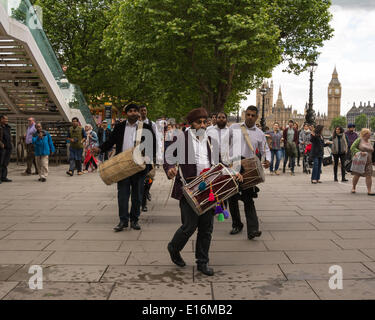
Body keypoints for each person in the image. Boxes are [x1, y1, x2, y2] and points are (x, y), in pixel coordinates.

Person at [164, 107, 217, 276]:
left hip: (208, 188)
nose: (202, 125)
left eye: (205, 122)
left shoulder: (210, 140)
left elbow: (219, 161)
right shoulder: (181, 138)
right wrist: (170, 168)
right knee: (189, 226)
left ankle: (202, 262)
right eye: (198, 122)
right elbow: (168, 157)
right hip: (188, 188)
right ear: (191, 123)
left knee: (206, 227)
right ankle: (174, 247)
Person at [93, 104, 156, 231]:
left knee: (137, 196)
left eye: (135, 111)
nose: (132, 113)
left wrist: (148, 160)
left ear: (138, 113)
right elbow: (111, 141)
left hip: (139, 167)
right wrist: (100, 149)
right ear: (126, 113)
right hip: (122, 166)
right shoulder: (120, 127)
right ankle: (123, 220)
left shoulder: (146, 127)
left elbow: (152, 146)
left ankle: (134, 220)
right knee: (122, 195)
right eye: (130, 111)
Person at [228, 106, 271, 239]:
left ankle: (253, 229)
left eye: (253, 115)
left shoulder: (260, 133)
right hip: (233, 164)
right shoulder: (234, 128)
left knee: (248, 199)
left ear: (257, 117)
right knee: (232, 197)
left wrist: (268, 160)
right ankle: (237, 224)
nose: (250, 117)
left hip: (247, 167)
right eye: (248, 114)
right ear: (244, 115)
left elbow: (266, 150)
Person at [350, 128, 375, 195]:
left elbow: (372, 151)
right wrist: (360, 152)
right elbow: (352, 147)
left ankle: (369, 190)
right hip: (360, 161)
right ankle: (353, 187)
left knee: (369, 175)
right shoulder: (359, 140)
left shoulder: (369, 141)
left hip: (369, 162)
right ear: (365, 134)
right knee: (357, 175)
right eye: (369, 134)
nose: (370, 135)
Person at [0, 115, 12, 183]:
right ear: (1, 119)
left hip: (8, 147)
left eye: (7, 119)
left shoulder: (7, 127)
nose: (7, 120)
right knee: (0, 163)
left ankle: (4, 177)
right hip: (2, 148)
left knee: (5, 163)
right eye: (5, 119)